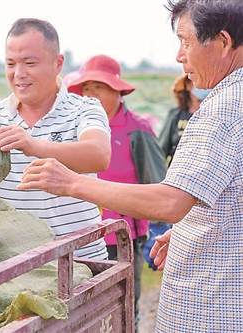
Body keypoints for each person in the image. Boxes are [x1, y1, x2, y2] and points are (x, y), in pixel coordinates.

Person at [18, 0, 243, 332]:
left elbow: (170, 201)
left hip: (212, 309)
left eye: (185, 40)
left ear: (223, 42)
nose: (179, 55)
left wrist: (71, 183)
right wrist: (189, 231)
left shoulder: (221, 110)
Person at [0, 18, 112, 260]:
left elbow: (99, 155)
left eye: (30, 63)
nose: (19, 74)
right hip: (15, 265)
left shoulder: (84, 108)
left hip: (82, 259)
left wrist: (34, 146)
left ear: (58, 64)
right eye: (10, 64)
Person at [66, 54, 167, 332]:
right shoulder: (77, 128)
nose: (91, 94)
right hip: (83, 235)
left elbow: (159, 184)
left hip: (123, 236)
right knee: (85, 309)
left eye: (98, 87)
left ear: (117, 91)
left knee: (122, 306)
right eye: (86, 88)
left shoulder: (138, 130)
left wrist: (158, 230)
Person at [158, 73, 211, 167]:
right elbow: (162, 148)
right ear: (188, 85)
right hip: (176, 171)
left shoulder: (213, 115)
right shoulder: (175, 114)